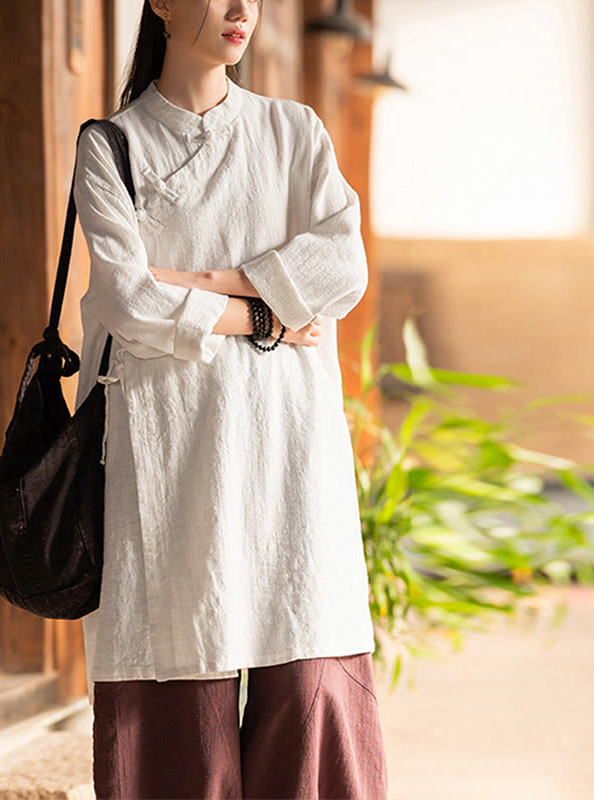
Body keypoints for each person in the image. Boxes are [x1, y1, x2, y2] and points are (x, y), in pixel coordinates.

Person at [71, 1, 388, 797]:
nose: (242, 10)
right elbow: (128, 302)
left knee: (310, 676)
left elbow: (341, 268)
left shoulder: (295, 131)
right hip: (166, 453)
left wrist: (197, 282)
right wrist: (266, 314)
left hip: (288, 446)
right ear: (163, 2)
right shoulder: (112, 146)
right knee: (176, 698)